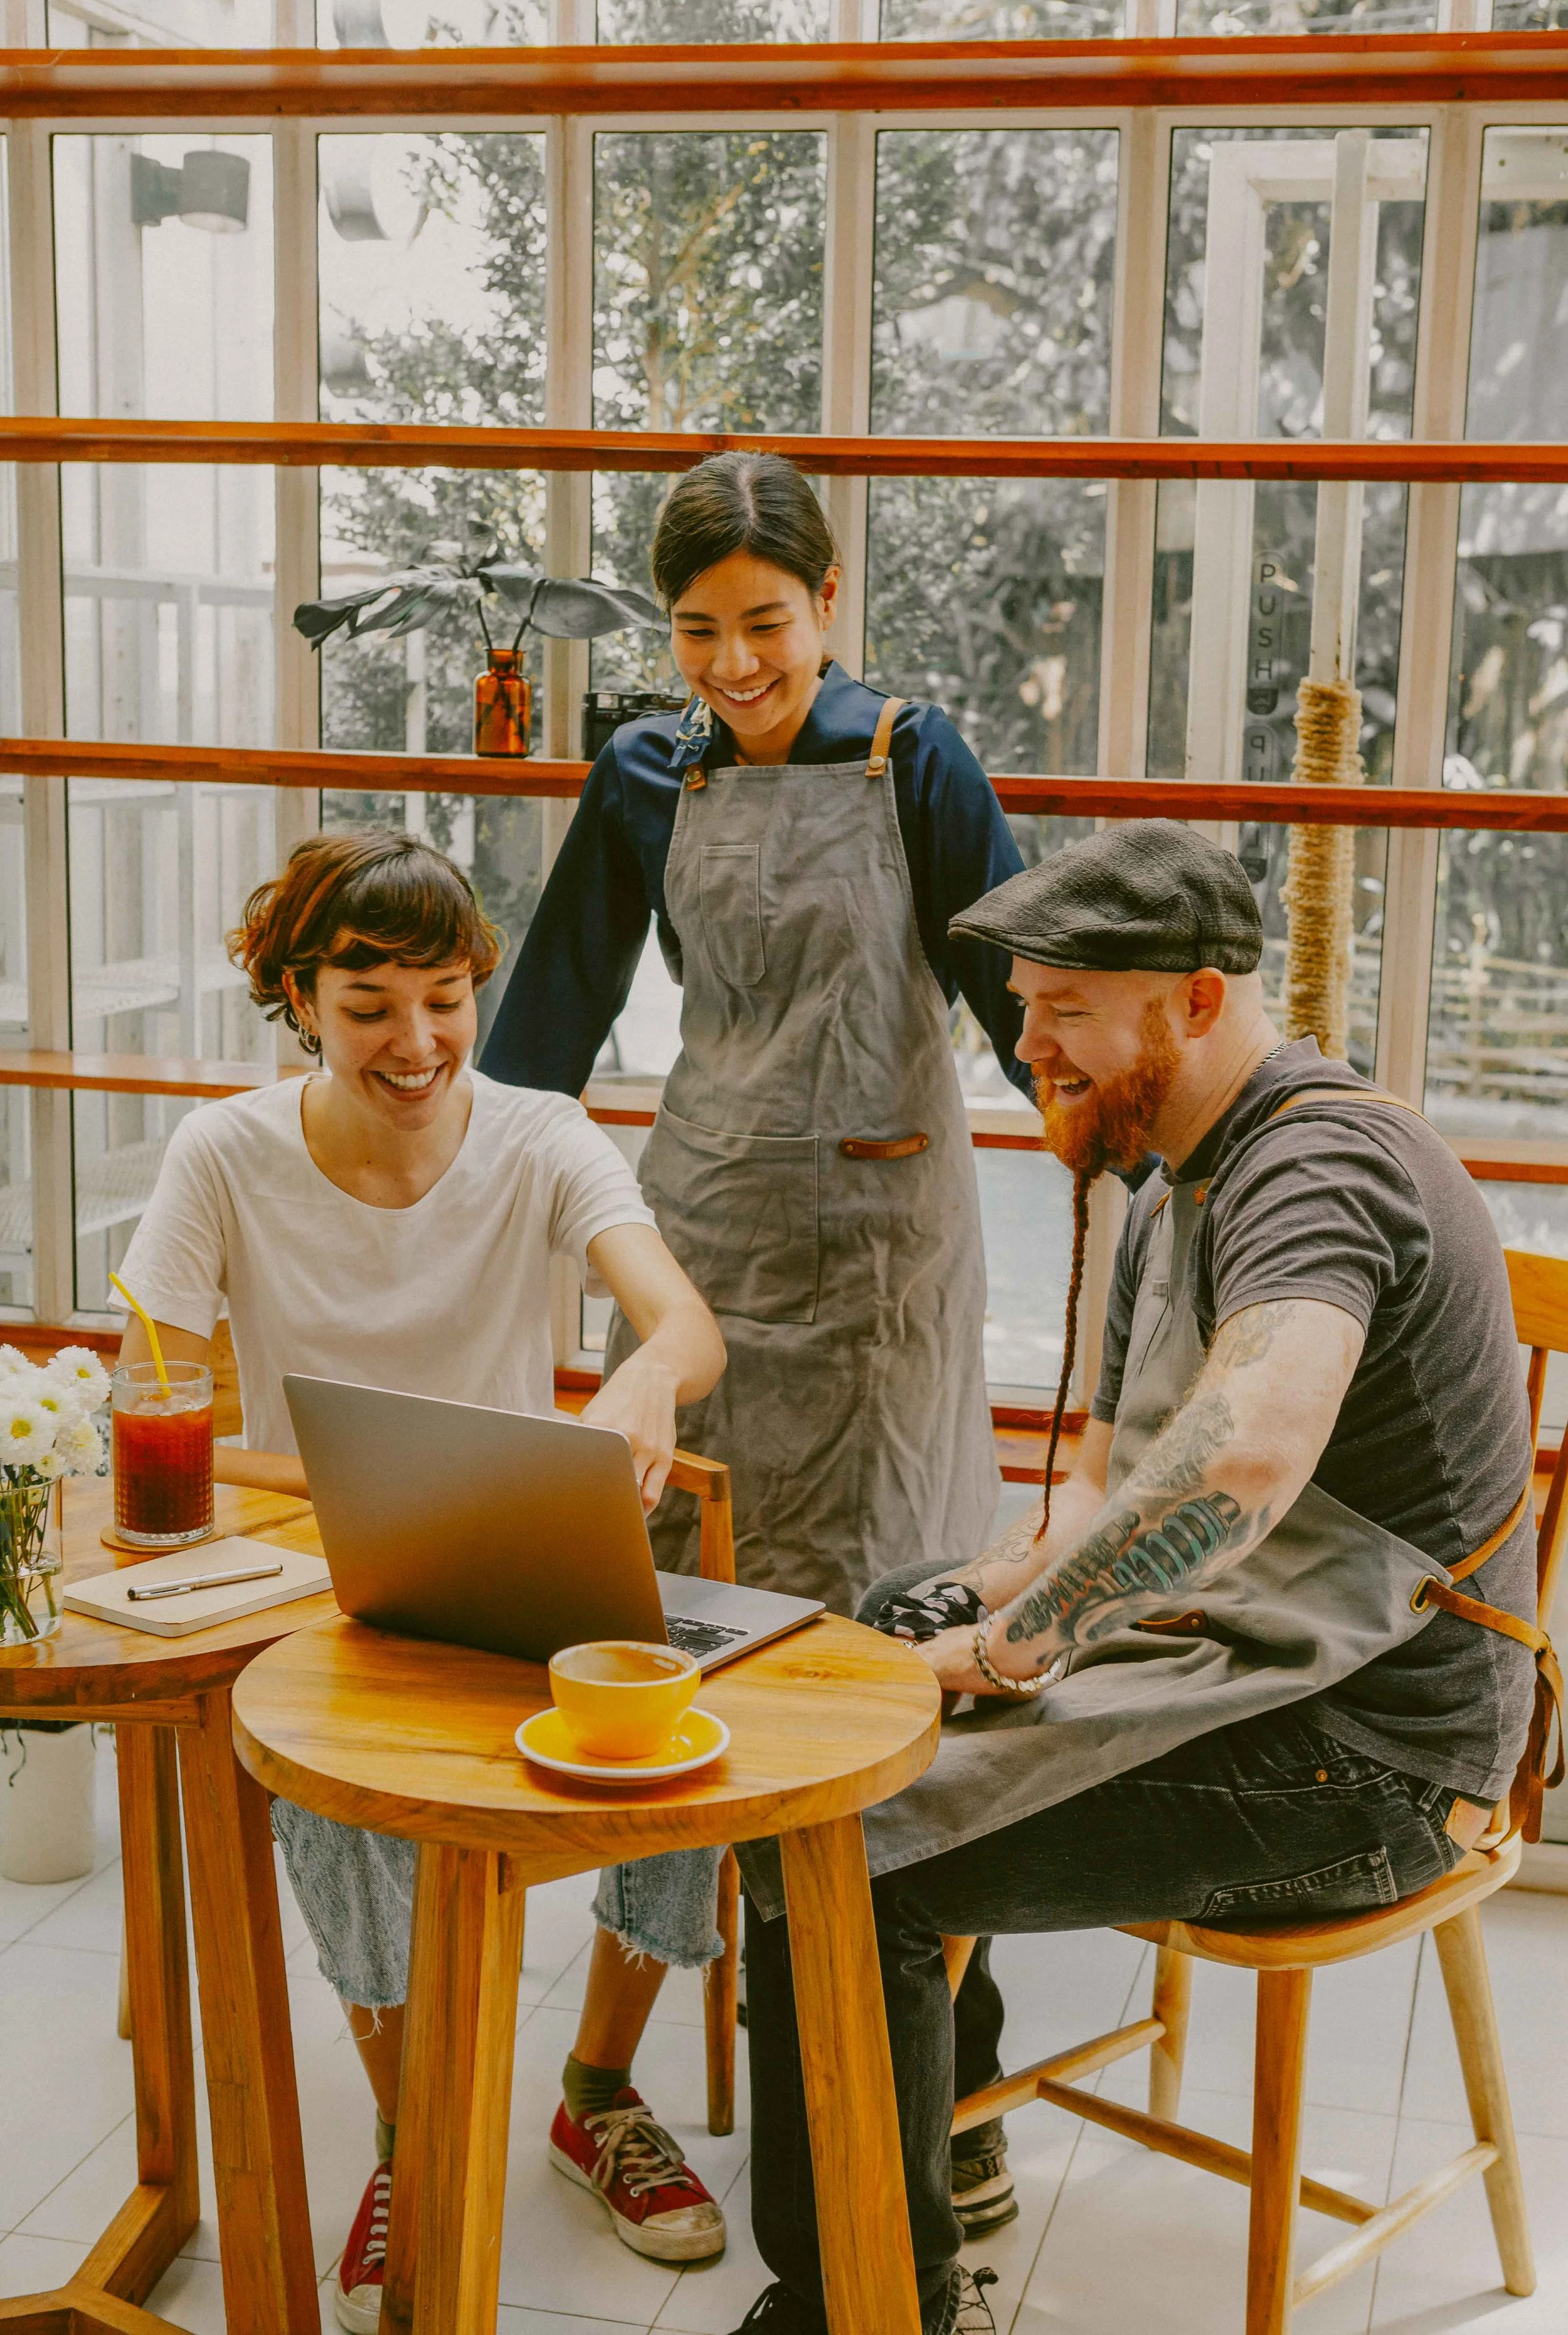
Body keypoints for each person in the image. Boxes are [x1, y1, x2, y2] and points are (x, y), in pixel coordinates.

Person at [728, 818, 1549, 2335]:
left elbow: (1239, 1457)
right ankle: (937, 2136)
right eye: (1024, 1003)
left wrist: (1011, 1649)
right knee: (854, 1650)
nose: (1022, 1044)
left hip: (1372, 1767)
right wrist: (982, 1593)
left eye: (1064, 1010)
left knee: (827, 1844)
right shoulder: (1172, 1168)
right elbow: (1103, 1468)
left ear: (1192, 999)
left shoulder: (1315, 1163)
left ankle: (868, 2303)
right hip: (1254, 1661)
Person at [482, 450, 1034, 2250]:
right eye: (699, 630)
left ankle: (937, 2055)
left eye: (766, 623)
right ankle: (633, 2061)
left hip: (886, 1267)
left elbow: (1028, 1012)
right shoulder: (645, 769)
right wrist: (444, 1197)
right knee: (688, 1648)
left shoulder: (914, 758)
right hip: (706, 1243)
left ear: (830, 596)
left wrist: (1169, 1168)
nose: (733, 661)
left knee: (895, 1643)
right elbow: (549, 1015)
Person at [108, 828, 728, 2334]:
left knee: (691, 1740)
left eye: (443, 997)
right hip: (323, 1584)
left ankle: (596, 2094)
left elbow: (685, 1329)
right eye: (369, 1000)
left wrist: (644, 1385)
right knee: (340, 1811)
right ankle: (410, 2121)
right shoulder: (228, 1152)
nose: (416, 1041)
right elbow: (150, 1402)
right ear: (297, 996)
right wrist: (331, 1491)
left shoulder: (539, 1133)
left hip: (524, 1565)